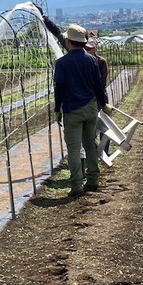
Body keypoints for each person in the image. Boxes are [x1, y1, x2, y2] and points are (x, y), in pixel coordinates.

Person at [52, 24, 112, 197]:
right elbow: (98, 86)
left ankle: (77, 185)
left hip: (72, 110)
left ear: (69, 42)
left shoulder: (62, 63)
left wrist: (58, 109)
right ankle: (93, 180)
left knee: (74, 149)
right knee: (90, 144)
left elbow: (59, 88)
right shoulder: (93, 60)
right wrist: (103, 104)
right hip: (91, 108)